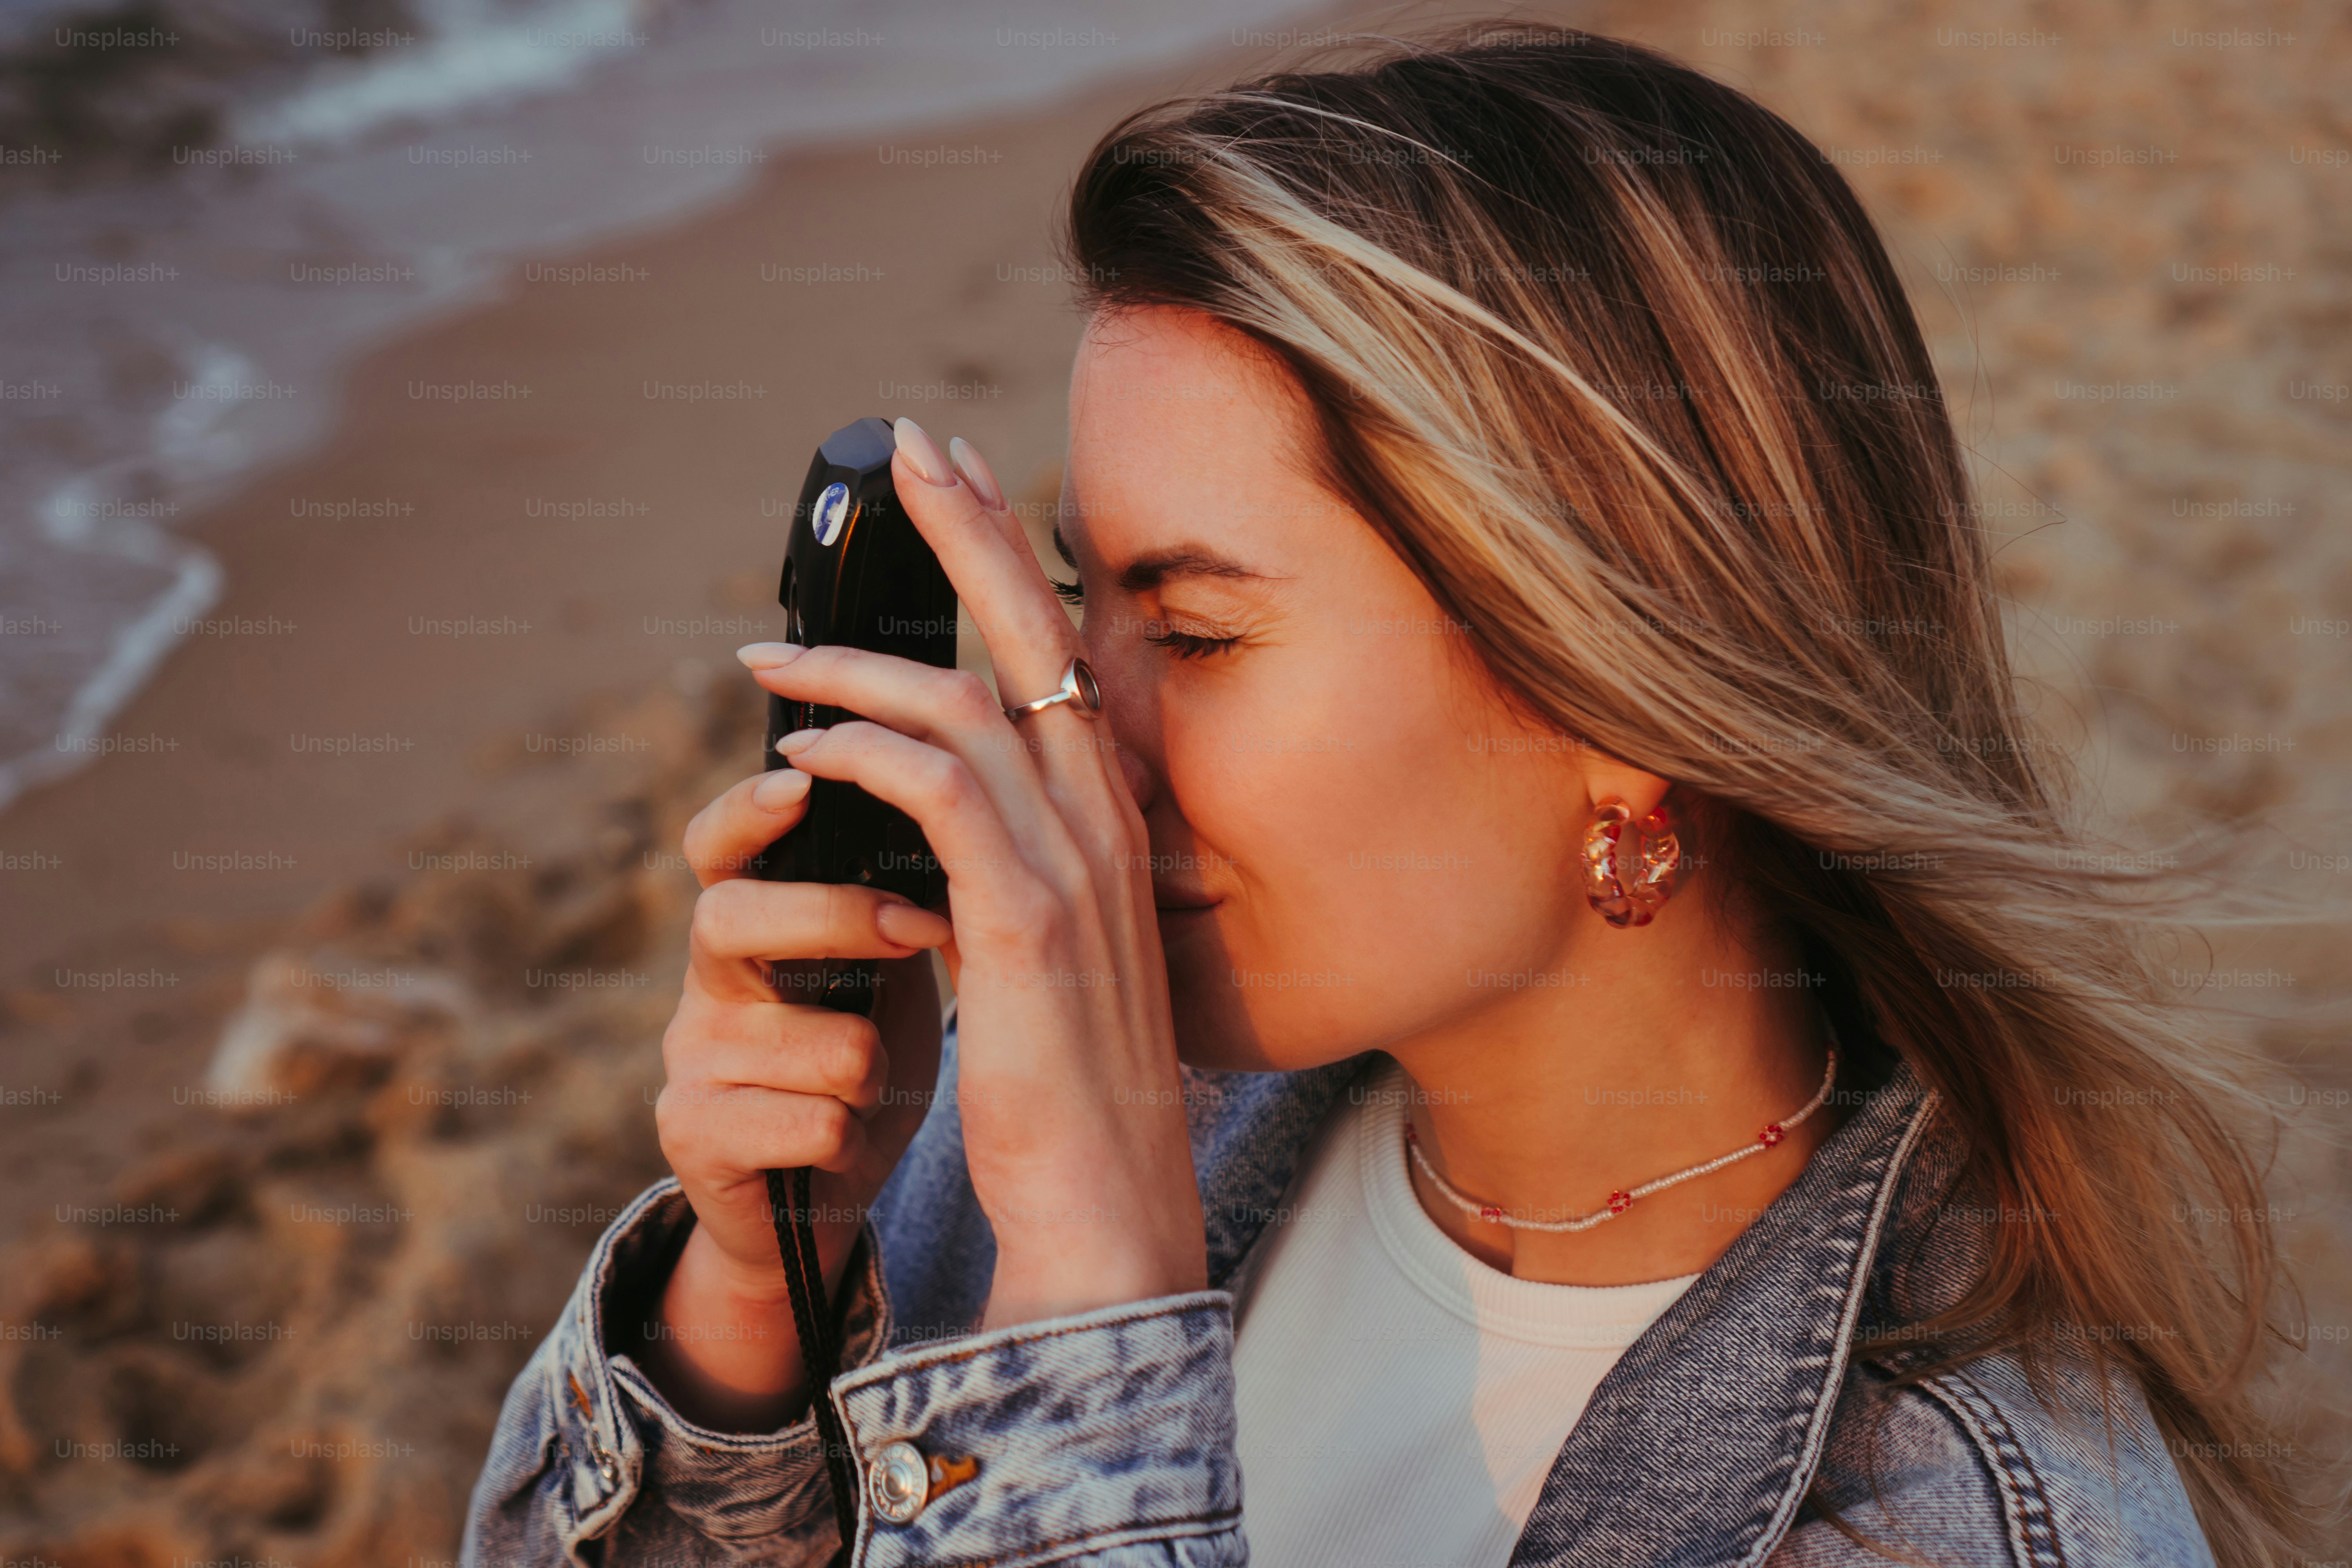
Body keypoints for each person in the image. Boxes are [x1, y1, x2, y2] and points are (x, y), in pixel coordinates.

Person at [463, 30, 2305, 1568]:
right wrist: (752, 1304)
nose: (1073, 745)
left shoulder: (1952, 1519)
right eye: (1081, 601)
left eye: (1192, 627)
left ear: (1624, 690)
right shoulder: (1092, 1106)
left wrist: (1097, 1308)